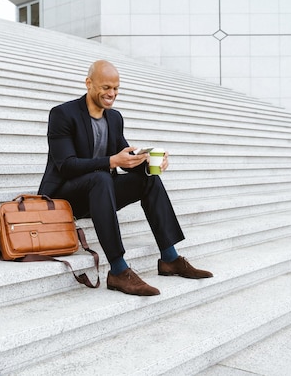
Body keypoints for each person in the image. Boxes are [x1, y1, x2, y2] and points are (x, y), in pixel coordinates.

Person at [38, 60, 213, 296]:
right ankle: (118, 271)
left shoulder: (114, 118)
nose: (112, 94)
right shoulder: (62, 114)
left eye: (116, 88)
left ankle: (170, 258)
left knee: (148, 179)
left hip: (100, 194)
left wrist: (150, 163)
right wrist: (111, 161)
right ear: (89, 84)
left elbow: (124, 157)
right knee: (101, 177)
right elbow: (66, 165)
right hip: (67, 197)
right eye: (106, 87)